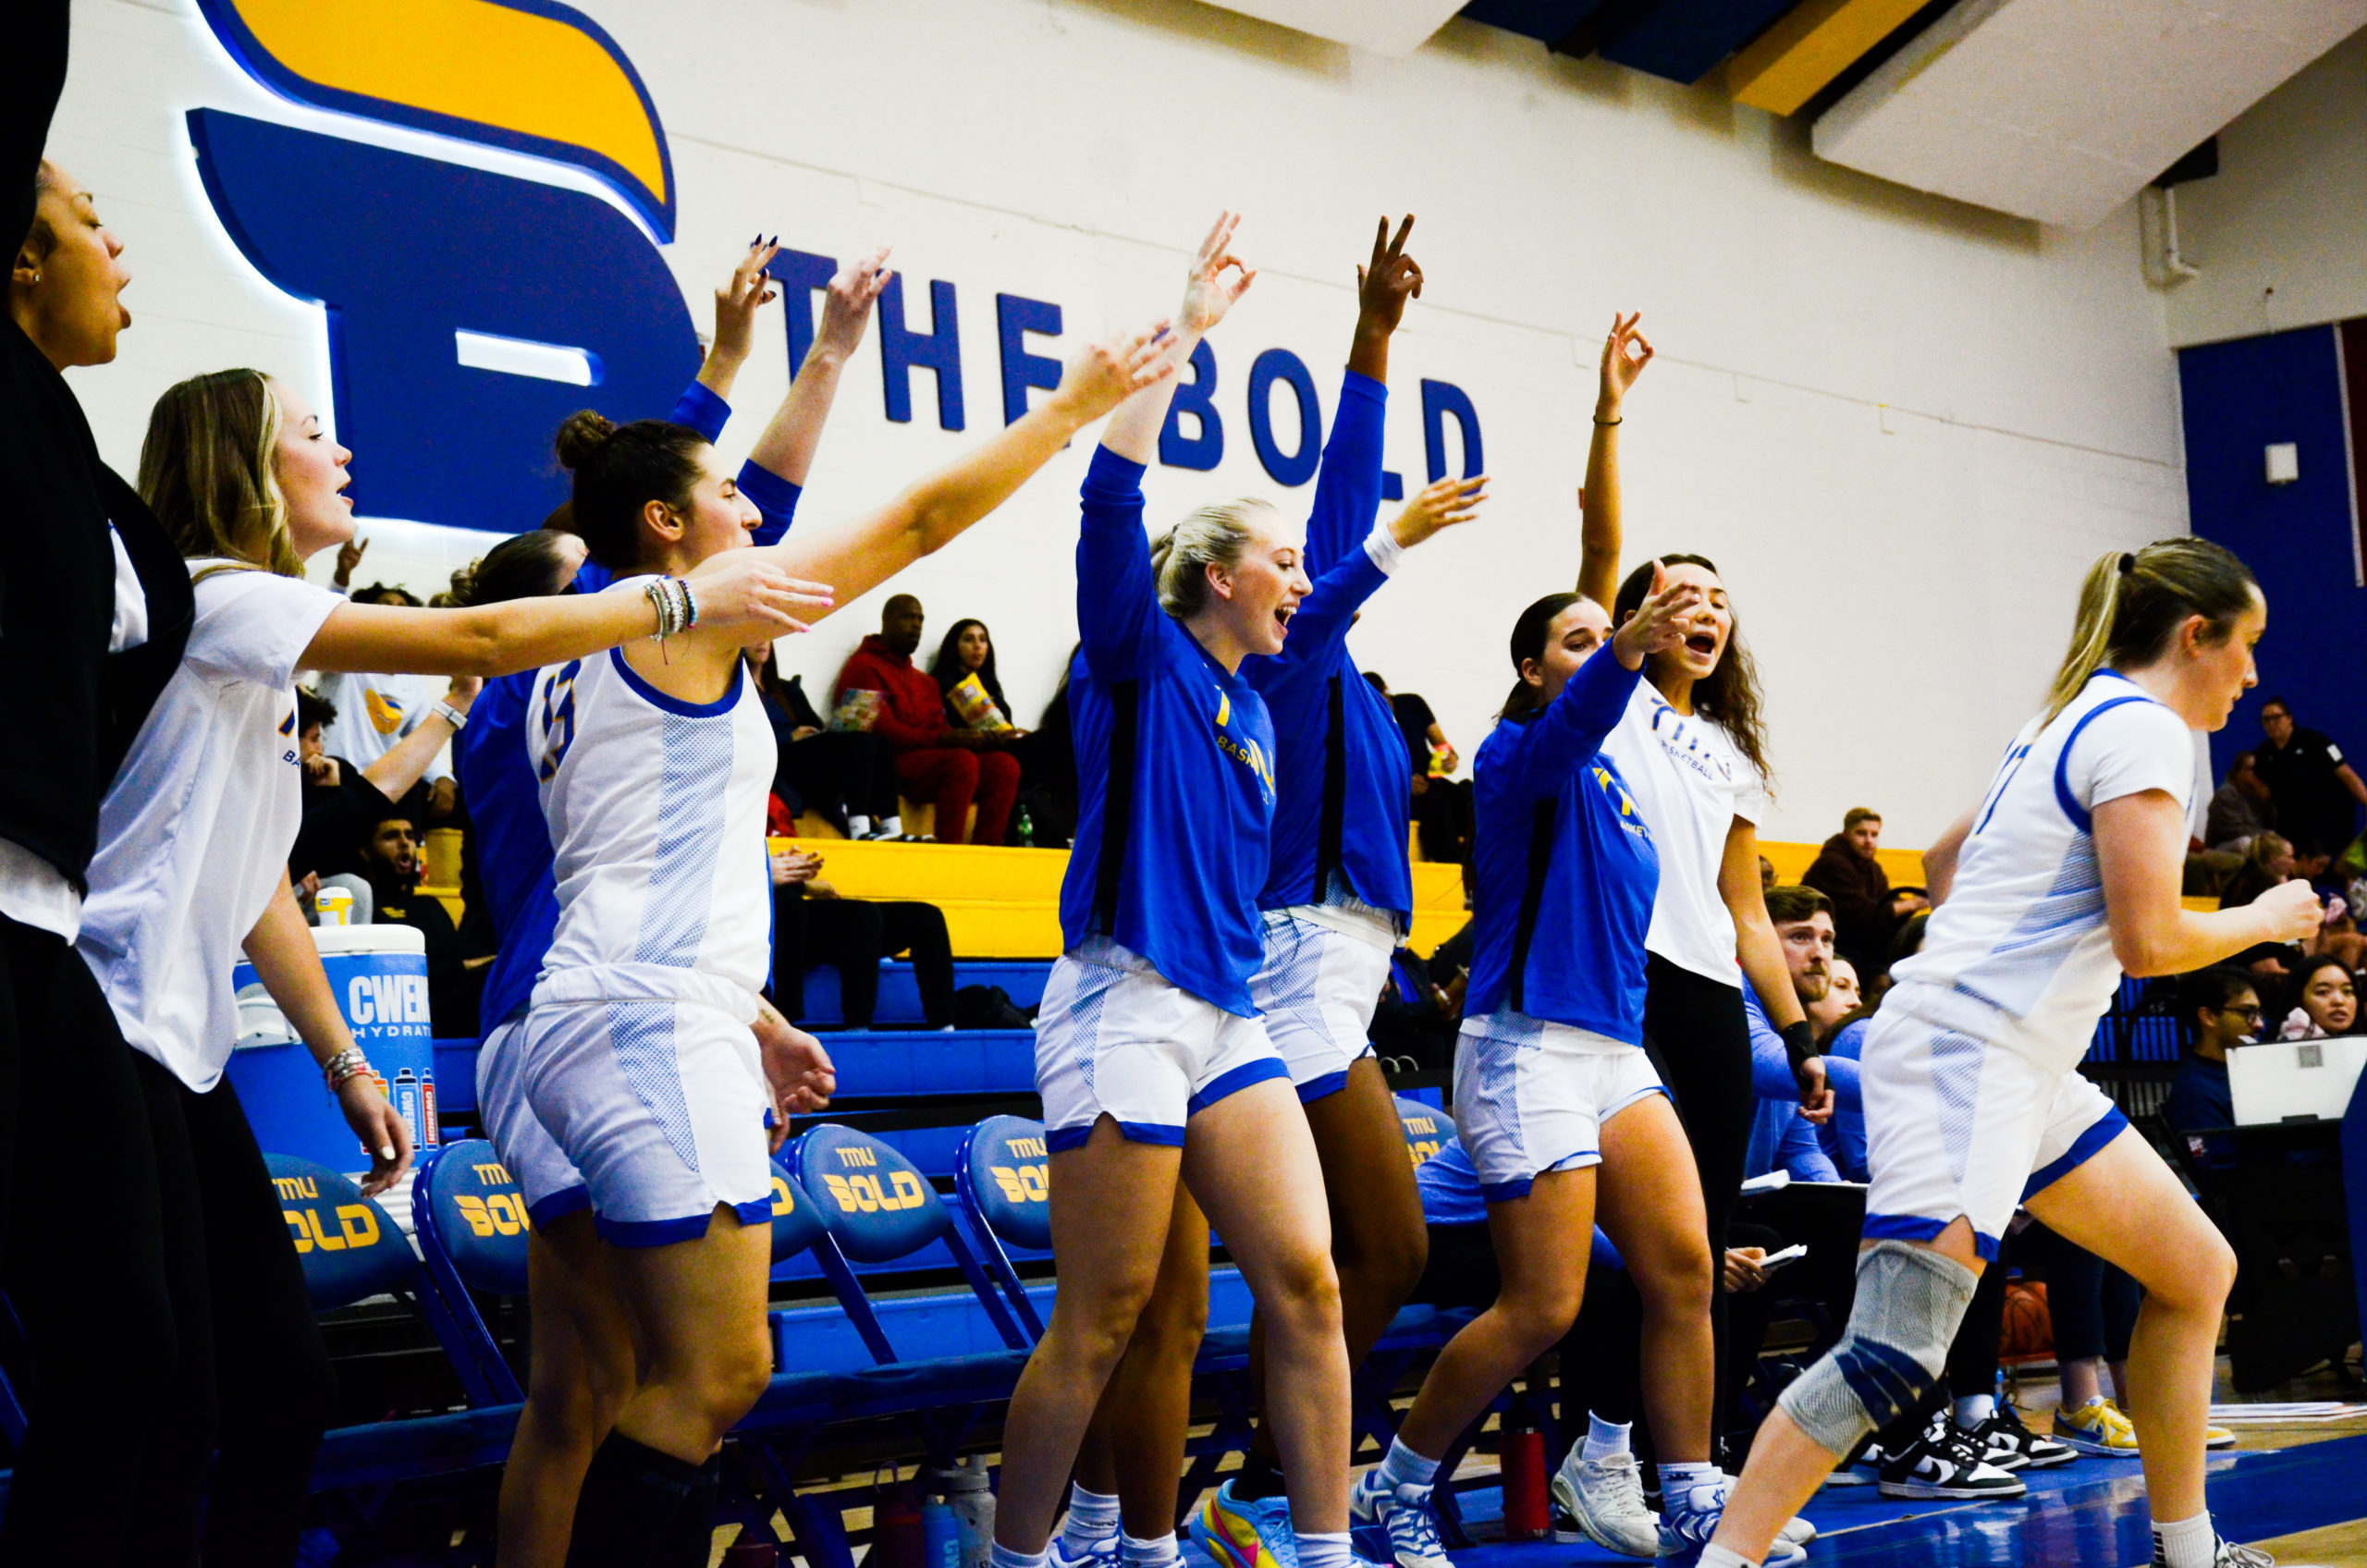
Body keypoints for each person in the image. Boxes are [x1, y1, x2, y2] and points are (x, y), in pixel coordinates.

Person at [97, 350, 815, 1566]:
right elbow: (500, 620)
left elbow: (258, 879)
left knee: (298, 1387)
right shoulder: (226, 598)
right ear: (244, 465)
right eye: (311, 430)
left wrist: (344, 1064)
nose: (341, 450)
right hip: (132, 1023)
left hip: (203, 1042)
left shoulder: (258, 648)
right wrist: (682, 591)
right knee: (148, 1399)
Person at [516, 306, 1174, 1568]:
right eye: (724, 495)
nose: (750, 512)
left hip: (609, 1012)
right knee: (718, 1373)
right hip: (643, 1021)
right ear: (663, 523)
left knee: (653, 1379)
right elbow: (917, 524)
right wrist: (1067, 408)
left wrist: (751, 1012)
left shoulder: (591, 641)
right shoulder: (684, 621)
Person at [1703, 537, 2325, 1568]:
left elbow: (1948, 858)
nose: (2253, 674)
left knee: (2193, 1268)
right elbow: (2150, 941)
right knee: (1894, 1351)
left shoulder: (2065, 715)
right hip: (1971, 1056)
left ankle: (2187, 1550)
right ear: (2195, 635)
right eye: (2247, 644)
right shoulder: (2143, 730)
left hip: (2013, 1058)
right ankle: (1724, 1560)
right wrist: (2266, 917)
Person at [1085, 215, 1478, 1568]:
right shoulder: (1285, 662)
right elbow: (1344, 513)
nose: (1306, 575)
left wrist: (1374, 339)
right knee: (1378, 1248)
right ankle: (1254, 1490)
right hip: (1285, 965)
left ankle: (1151, 1508)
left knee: (1165, 1305)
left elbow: (1334, 533)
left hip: (1337, 971)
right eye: (1289, 566)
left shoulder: (1333, 681)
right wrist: (1369, 352)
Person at [990, 214, 1365, 1568]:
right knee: (1103, 1317)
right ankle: (1021, 1557)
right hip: (1122, 1005)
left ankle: (1324, 1552)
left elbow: (1342, 584)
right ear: (1218, 575)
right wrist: (1189, 330)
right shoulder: (1137, 657)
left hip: (1226, 1014)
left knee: (1307, 1282)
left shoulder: (1256, 706)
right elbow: (1109, 502)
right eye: (1283, 561)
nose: (1301, 582)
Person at [1351, 529, 1782, 1566]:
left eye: (1604, 639)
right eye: (1574, 642)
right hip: (1522, 1048)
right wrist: (1627, 637)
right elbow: (1587, 703)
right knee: (1544, 1303)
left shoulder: (1624, 788)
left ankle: (1691, 1496)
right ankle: (1390, 1488)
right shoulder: (1516, 757)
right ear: (1532, 669)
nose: (1597, 654)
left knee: (1682, 1270)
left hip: (1612, 1052)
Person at [0, 7, 205, 1557]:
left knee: (130, 1357)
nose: (117, 242)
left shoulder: (87, 473)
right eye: (86, 215)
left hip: (44, 937)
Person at [1578, 316, 1830, 1460]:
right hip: (1622, 983)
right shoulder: (1613, 698)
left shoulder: (1730, 755)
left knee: (1719, 1234)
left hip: (1707, 994)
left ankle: (1706, 1454)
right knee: (1658, 1239)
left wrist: (1799, 1029)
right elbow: (1596, 545)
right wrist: (1610, 411)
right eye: (1683, 595)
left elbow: (1745, 912)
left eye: (1719, 601)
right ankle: (1613, 1448)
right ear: (1643, 611)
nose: (1706, 612)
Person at [834, 594, 1019, 844]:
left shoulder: (926, 682)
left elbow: (938, 729)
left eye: (920, 619)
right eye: (907, 617)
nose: (916, 625)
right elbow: (881, 733)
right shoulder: (863, 667)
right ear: (886, 621)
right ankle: (947, 851)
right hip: (887, 766)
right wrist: (944, 739)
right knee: (961, 761)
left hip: (926, 762)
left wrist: (975, 739)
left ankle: (988, 852)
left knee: (1004, 766)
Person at [767, 822, 955, 1029]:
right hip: (767, 922)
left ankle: (946, 1028)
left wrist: (793, 877)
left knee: (926, 917)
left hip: (791, 911)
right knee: (861, 915)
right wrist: (770, 874)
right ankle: (856, 1030)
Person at [352, 806, 493, 1035]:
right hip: (406, 1007)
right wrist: (463, 966)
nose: (404, 843)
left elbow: (460, 952)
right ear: (365, 851)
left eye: (410, 836)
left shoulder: (429, 905)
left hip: (456, 998)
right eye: (391, 836)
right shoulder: (365, 905)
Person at [750, 639, 900, 838]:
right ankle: (859, 829)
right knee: (860, 743)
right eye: (754, 638)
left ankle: (892, 827)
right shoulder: (738, 692)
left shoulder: (785, 689)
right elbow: (744, 738)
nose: (761, 642)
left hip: (803, 759)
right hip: (777, 762)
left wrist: (841, 723)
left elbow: (817, 725)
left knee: (879, 742)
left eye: (767, 637)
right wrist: (789, 736)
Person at [1802, 809, 1926, 983]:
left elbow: (1887, 907)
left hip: (1859, 946)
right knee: (1883, 976)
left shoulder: (1872, 868)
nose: (1869, 841)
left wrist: (1915, 902)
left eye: (1874, 835)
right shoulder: (1832, 863)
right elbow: (1864, 913)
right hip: (1835, 945)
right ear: (1846, 835)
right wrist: (1915, 903)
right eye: (1861, 833)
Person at [2254, 696, 2367, 864]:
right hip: (2292, 824)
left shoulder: (2316, 742)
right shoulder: (2264, 753)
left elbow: (2346, 774)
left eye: (2277, 717)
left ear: (2289, 718)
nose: (2272, 723)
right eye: (2266, 720)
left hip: (2329, 819)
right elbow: (2261, 785)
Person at [2165, 967, 2258, 1143]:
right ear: (2208, 1017)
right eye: (2246, 1013)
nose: (2259, 1023)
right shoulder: (2194, 1093)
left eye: (2258, 1013)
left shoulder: (2244, 1070)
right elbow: (2220, 1159)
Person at [930, 617, 1022, 734]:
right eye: (968, 640)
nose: (978, 646)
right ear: (954, 646)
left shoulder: (991, 684)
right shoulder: (940, 685)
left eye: (982, 640)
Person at [2274, 952, 2356, 1039]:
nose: (2339, 1001)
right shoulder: (2292, 1040)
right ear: (2298, 1000)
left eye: (2347, 991)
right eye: (2322, 992)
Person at [2205, 751, 2275, 851]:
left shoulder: (2259, 792)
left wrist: (2269, 800)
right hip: (2223, 847)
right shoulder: (2226, 794)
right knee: (2245, 842)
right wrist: (2269, 835)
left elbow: (2275, 824)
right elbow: (2235, 831)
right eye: (2251, 769)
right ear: (2238, 773)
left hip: (2257, 840)